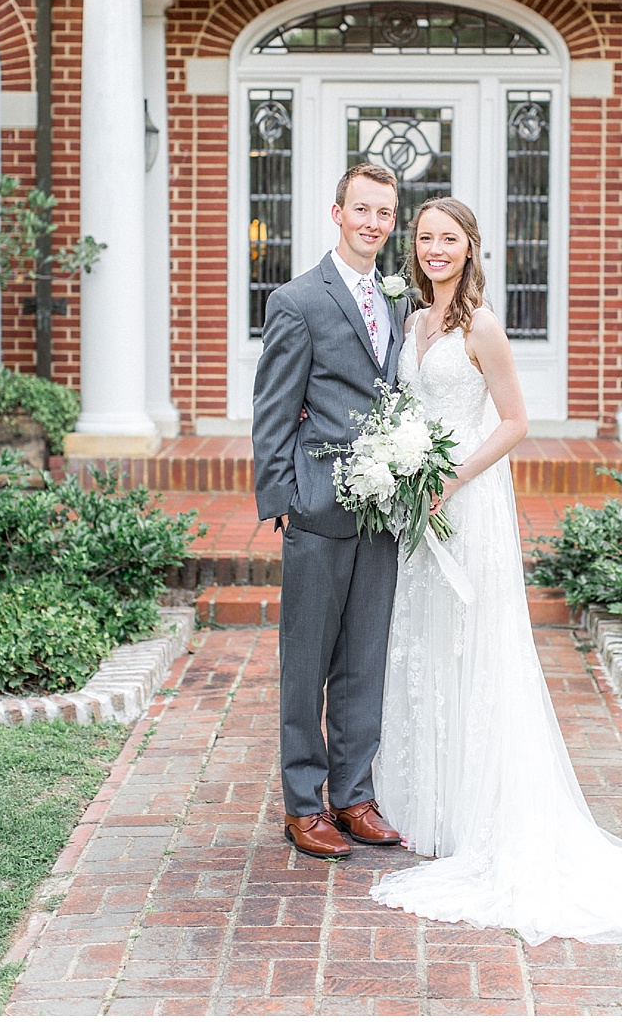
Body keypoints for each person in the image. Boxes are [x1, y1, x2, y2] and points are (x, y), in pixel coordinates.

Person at [367, 197, 622, 944]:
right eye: (426, 238)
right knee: (426, 643)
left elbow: (515, 420)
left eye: (449, 239)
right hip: (419, 504)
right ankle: (427, 807)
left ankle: (481, 814)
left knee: (476, 648)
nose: (435, 249)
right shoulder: (410, 322)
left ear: (472, 248)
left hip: (466, 508)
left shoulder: (483, 327)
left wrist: (450, 476)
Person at [252, 162, 410, 858]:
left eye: (385, 213)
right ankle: (301, 803)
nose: (373, 223)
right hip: (318, 506)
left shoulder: (399, 298)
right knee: (306, 663)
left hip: (381, 511)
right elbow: (273, 409)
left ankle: (353, 796)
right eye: (363, 209)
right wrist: (285, 499)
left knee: (363, 658)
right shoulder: (298, 300)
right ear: (337, 211)